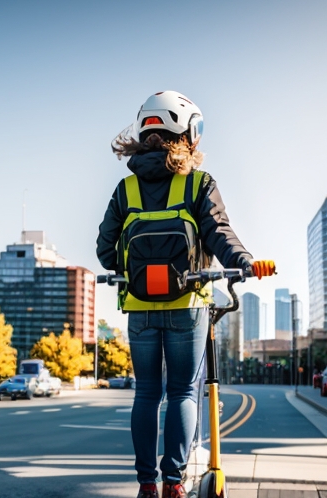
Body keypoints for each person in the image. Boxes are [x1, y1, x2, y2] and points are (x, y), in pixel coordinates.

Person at [96, 91, 254, 498]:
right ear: (186, 133)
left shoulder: (125, 188)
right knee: (184, 391)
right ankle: (174, 484)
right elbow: (219, 233)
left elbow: (105, 250)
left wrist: (135, 272)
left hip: (139, 307)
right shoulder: (199, 182)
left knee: (147, 393)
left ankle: (146, 484)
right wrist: (245, 261)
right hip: (189, 303)